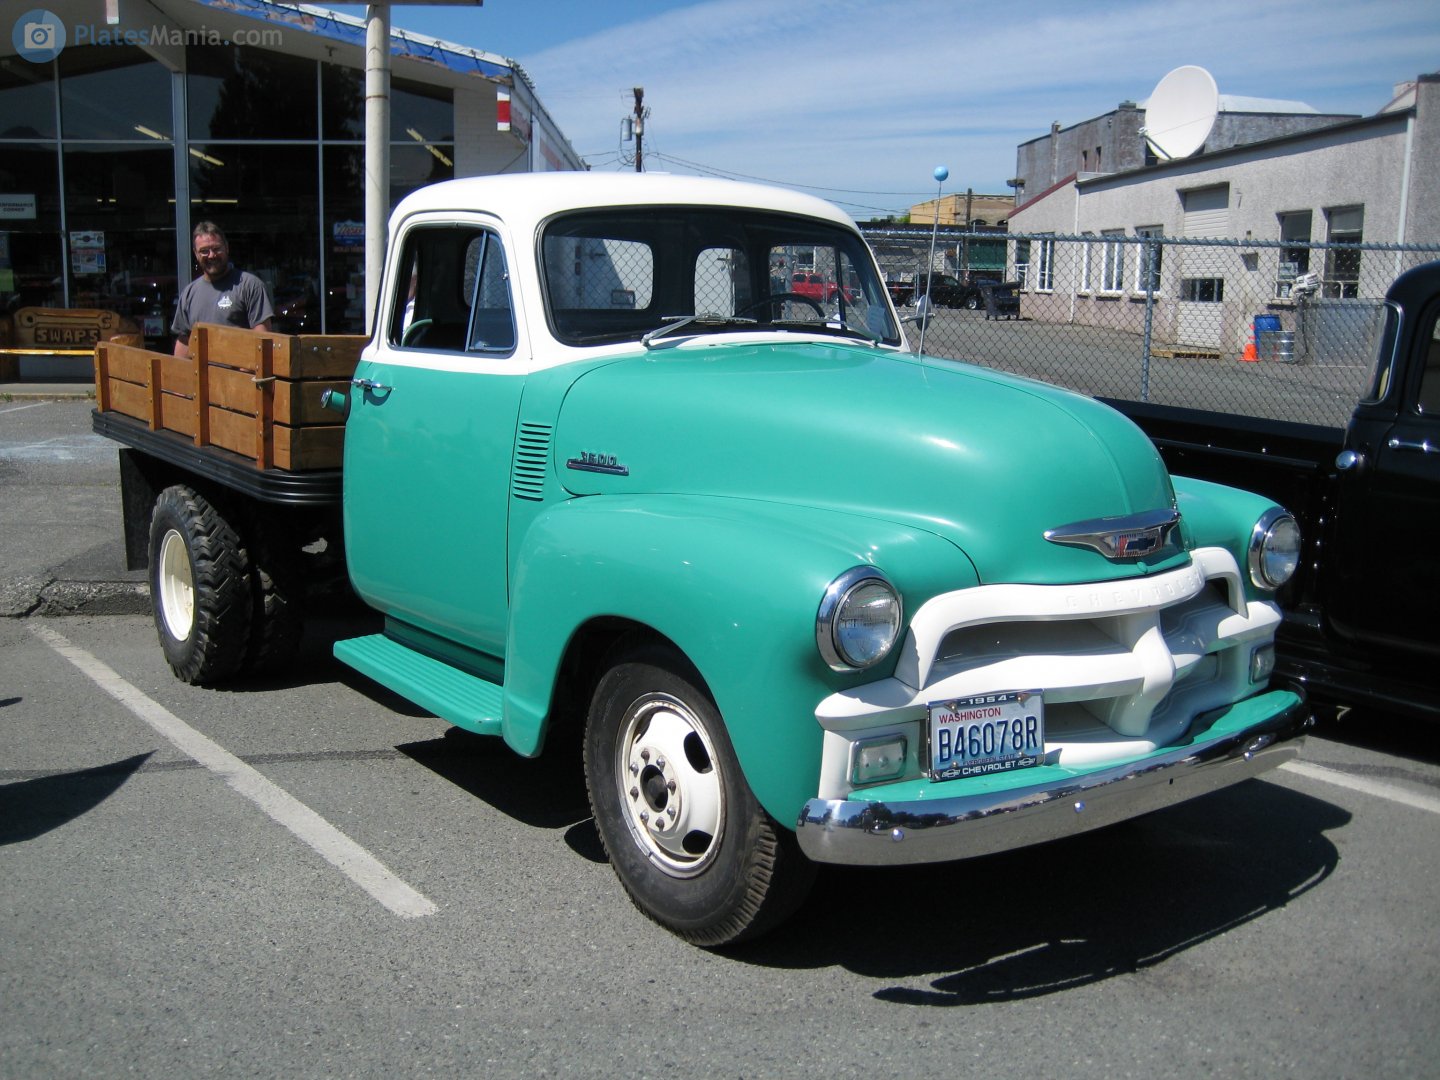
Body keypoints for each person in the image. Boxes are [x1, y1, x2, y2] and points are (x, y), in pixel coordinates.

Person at [172, 222, 274, 357]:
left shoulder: (249, 285)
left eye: (216, 249)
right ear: (196, 254)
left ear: (227, 248)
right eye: (204, 251)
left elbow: (263, 336)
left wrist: (246, 368)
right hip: (200, 376)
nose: (211, 255)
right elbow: (184, 341)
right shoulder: (189, 294)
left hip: (239, 375)